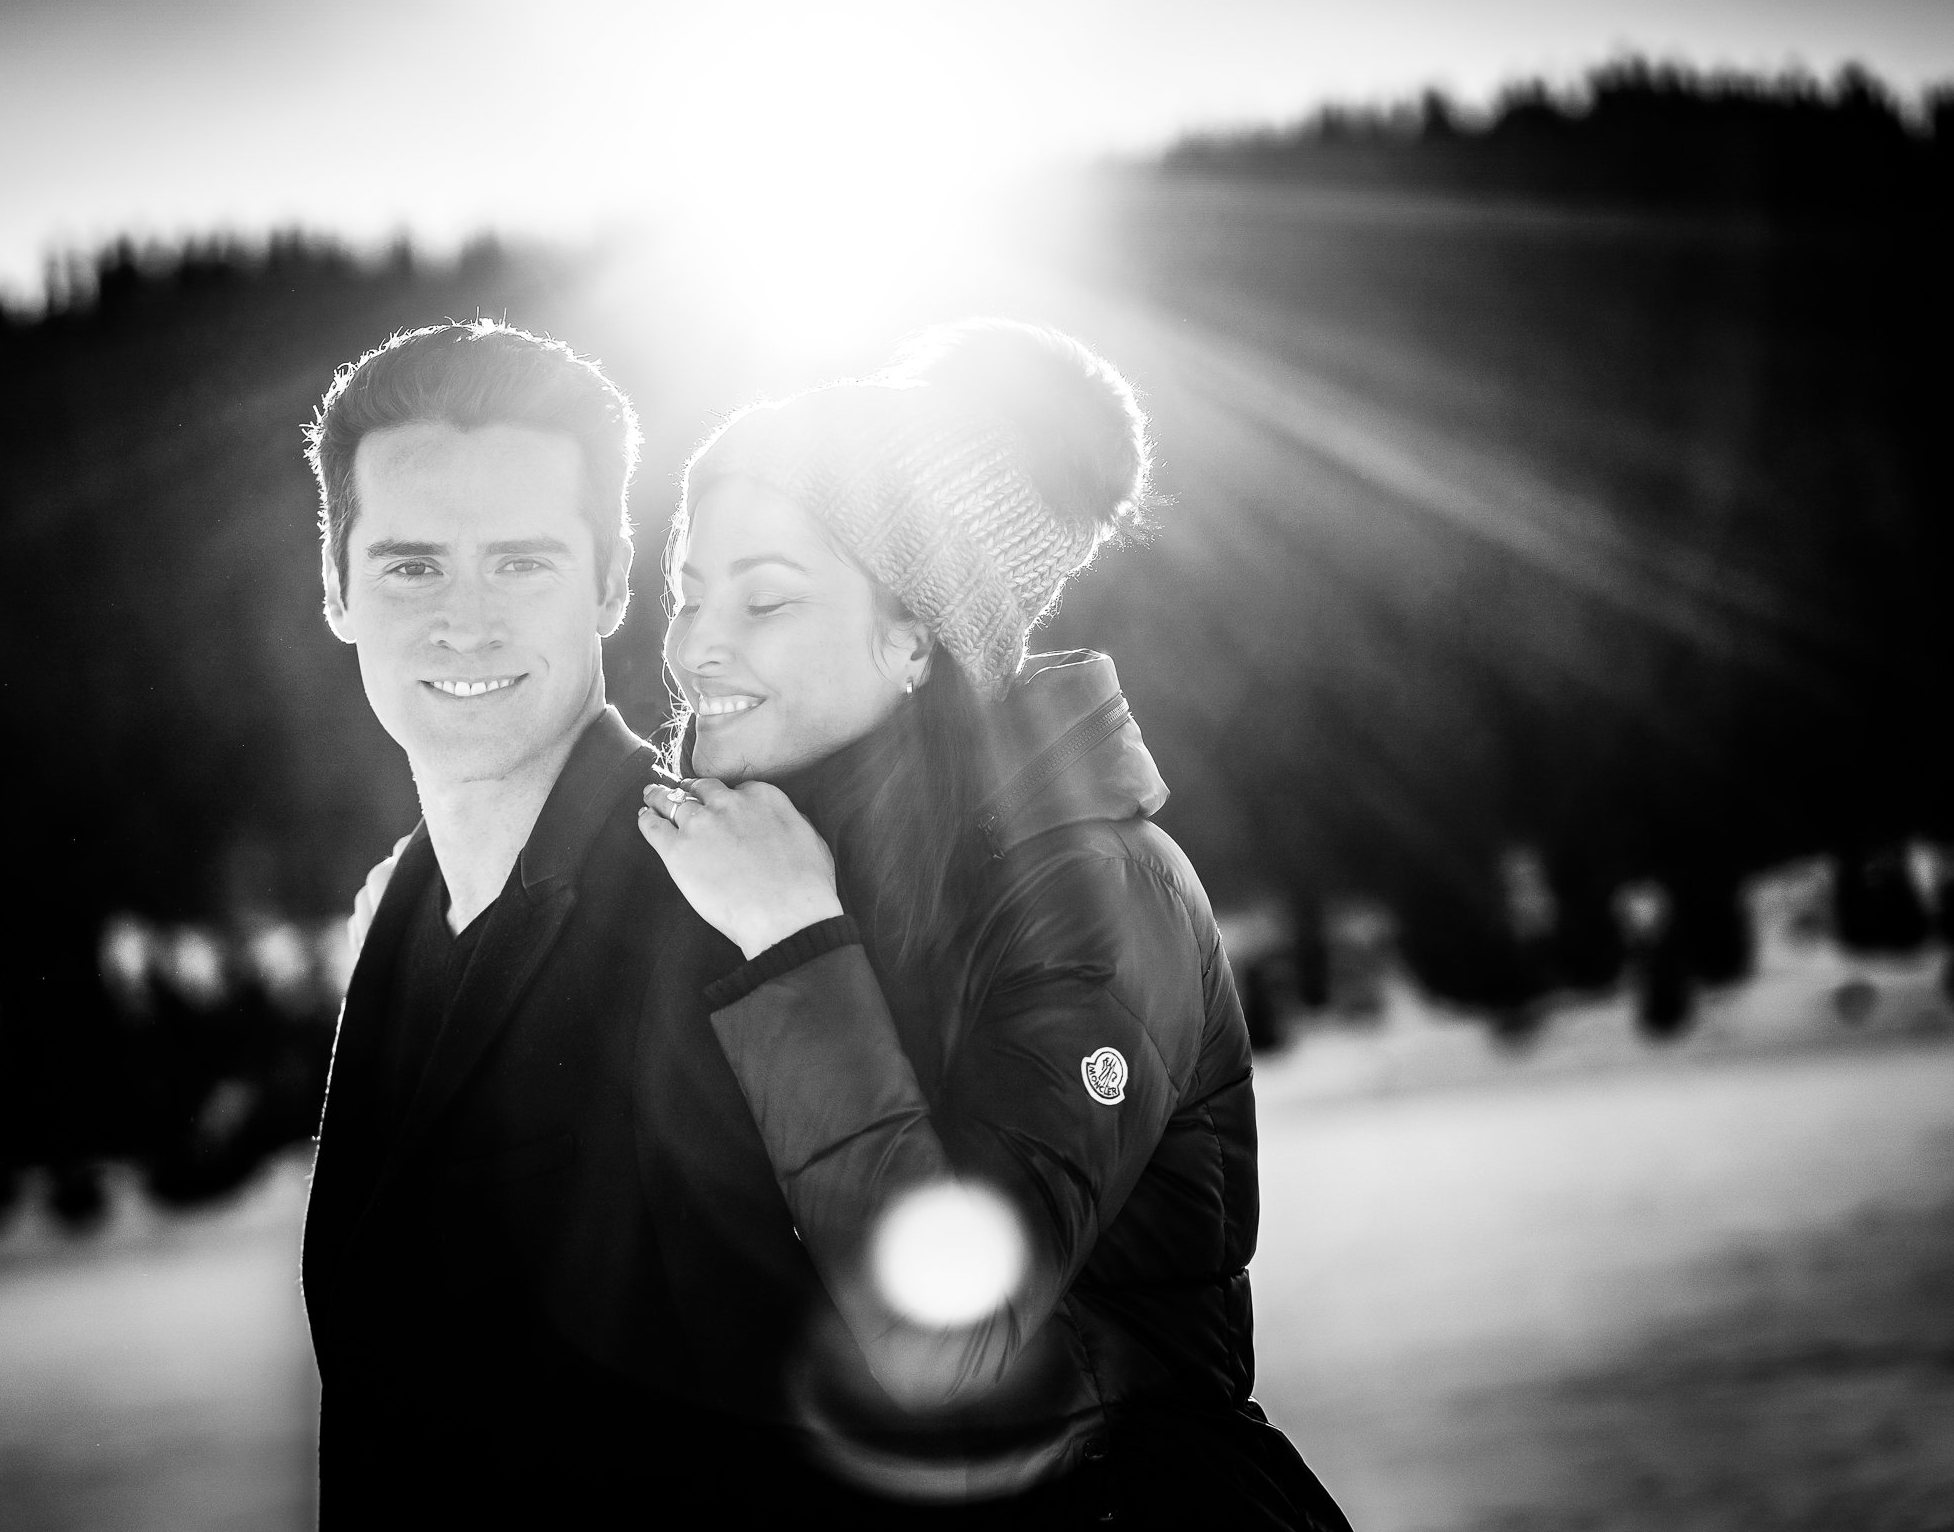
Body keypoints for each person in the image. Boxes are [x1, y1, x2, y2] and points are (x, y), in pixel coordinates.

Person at [631, 321, 1353, 1528]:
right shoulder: (745, 860)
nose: (696, 642)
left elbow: (951, 1331)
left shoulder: (1096, 892)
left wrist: (795, 944)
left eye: (765, 598)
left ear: (916, 638)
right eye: (688, 590)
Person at [298, 320, 747, 1522]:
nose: (465, 623)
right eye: (410, 566)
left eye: (522, 562)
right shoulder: (398, 912)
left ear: (610, 582)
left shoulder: (715, 899)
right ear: (337, 587)